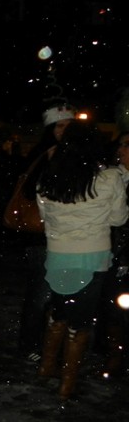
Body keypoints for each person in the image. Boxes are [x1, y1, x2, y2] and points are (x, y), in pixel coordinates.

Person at [36, 120, 128, 400]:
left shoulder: (48, 179)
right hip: (92, 256)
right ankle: (67, 384)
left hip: (58, 255)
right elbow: (119, 218)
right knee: (82, 322)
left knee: (59, 311)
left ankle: (46, 366)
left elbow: (45, 219)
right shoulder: (108, 179)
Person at [14, 104, 76, 363]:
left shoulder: (75, 154)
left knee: (60, 296)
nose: (63, 131)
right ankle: (30, 345)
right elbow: (31, 191)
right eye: (59, 126)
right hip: (42, 237)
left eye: (68, 126)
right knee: (40, 296)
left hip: (66, 236)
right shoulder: (44, 153)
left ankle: (50, 345)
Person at [96, 131, 129, 376]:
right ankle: (114, 354)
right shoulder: (114, 176)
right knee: (116, 303)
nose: (120, 151)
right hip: (118, 251)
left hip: (123, 248)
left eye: (125, 146)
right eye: (120, 146)